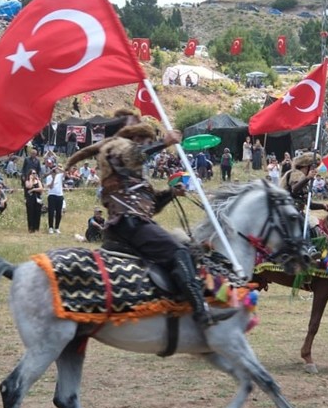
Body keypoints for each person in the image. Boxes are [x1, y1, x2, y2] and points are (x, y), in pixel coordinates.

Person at [67, 115, 216, 325]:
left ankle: (176, 301)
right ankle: (201, 313)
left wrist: (172, 193)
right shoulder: (115, 150)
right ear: (135, 138)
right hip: (129, 224)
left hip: (136, 223)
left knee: (186, 248)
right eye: (145, 141)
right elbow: (134, 154)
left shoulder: (133, 179)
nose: (148, 146)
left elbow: (151, 206)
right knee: (180, 252)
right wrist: (164, 143)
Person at [44, 163, 66, 234]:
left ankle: (57, 227)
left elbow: (65, 172)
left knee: (59, 212)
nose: (54, 170)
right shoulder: (49, 177)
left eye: (55, 169)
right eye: (53, 169)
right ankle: (50, 227)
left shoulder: (60, 176)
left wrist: (58, 168)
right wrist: (53, 178)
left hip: (59, 195)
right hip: (52, 195)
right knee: (51, 212)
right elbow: (50, 186)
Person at [22, 169, 45, 234]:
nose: (34, 174)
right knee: (30, 213)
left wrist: (33, 189)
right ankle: (31, 228)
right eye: (33, 173)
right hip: (30, 199)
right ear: (30, 174)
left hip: (37, 199)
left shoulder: (38, 181)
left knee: (37, 213)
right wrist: (31, 179)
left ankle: (36, 228)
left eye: (35, 173)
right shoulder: (27, 181)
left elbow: (41, 189)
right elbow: (29, 186)